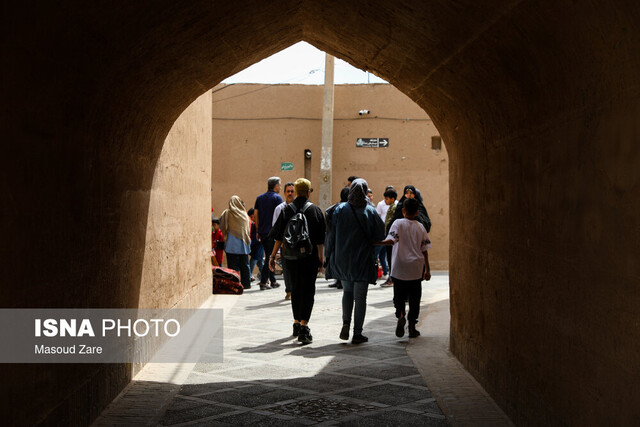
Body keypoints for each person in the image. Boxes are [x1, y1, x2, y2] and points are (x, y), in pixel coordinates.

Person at [325, 178, 385, 344]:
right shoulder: (370, 211)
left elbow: (330, 236)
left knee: (347, 292)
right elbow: (380, 234)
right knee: (360, 297)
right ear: (365, 191)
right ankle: (357, 332)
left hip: (343, 260)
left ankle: (346, 323)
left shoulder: (339, 210)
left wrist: (327, 256)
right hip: (363, 260)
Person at [269, 178, 326, 344]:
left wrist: (272, 256)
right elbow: (320, 240)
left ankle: (295, 322)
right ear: (308, 192)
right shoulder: (315, 211)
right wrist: (321, 258)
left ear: (295, 191)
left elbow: (278, 237)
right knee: (308, 290)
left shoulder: (287, 210)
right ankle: (304, 326)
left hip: (289, 257)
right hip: (309, 257)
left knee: (295, 289)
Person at [379, 198, 432, 338]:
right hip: (415, 269)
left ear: (403, 211)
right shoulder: (421, 227)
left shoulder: (398, 223)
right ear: (417, 212)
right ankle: (412, 327)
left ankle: (401, 314)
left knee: (399, 296)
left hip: (399, 268)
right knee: (415, 298)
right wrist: (427, 270)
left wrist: (375, 242)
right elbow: (425, 249)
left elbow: (391, 240)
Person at [254, 177, 283, 290]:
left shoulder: (259, 198)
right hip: (273, 232)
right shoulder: (278, 198)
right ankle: (263, 282)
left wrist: (257, 230)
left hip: (262, 231)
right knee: (270, 256)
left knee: (269, 254)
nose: (280, 187)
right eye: (280, 185)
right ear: (276, 186)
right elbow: (280, 216)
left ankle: (273, 280)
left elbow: (256, 214)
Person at [220, 196, 252, 290]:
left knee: (232, 267)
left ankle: (233, 284)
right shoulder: (244, 215)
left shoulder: (227, 213)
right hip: (243, 245)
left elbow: (221, 224)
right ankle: (246, 284)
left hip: (231, 245)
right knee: (245, 265)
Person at [271, 182, 296, 300]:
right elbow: (276, 229)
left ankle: (296, 290)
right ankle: (289, 290)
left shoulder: (300, 207)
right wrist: (277, 250)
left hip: (298, 244)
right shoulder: (279, 209)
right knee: (286, 269)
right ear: (285, 193)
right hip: (285, 245)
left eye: (292, 191)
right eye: (288, 191)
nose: (290, 193)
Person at [325, 187, 349, 289]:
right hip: (344, 238)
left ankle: (338, 280)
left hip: (333, 238)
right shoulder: (349, 209)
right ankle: (340, 280)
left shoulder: (333, 208)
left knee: (335, 258)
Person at [375, 186, 395, 283]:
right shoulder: (381, 204)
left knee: (390, 255)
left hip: (391, 233)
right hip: (383, 232)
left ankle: (390, 275)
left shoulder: (396, 206)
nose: (386, 200)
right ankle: (385, 273)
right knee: (382, 254)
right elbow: (378, 217)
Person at [247, 208, 263, 282]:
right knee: (260, 263)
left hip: (258, 246)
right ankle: (265, 277)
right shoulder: (254, 224)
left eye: (251, 217)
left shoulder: (259, 224)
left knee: (252, 262)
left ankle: (249, 276)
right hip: (256, 246)